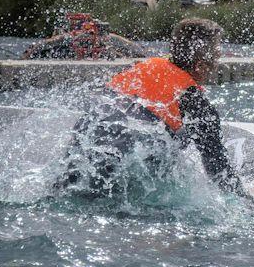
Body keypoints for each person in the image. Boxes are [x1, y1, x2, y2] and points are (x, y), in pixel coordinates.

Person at [59, 18, 244, 195]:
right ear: (200, 65)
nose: (217, 64)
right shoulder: (195, 102)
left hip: (81, 155)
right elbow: (219, 170)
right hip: (119, 176)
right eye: (216, 58)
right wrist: (249, 200)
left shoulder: (144, 68)